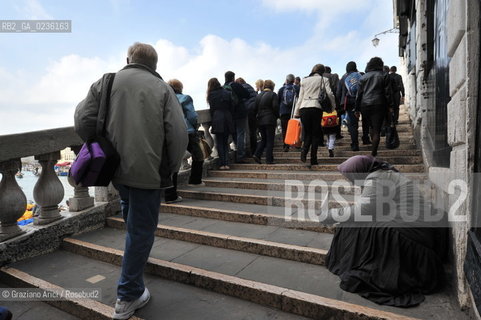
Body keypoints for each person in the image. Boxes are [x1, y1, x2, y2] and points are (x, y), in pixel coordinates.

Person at [74, 42, 188, 319]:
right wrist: (171, 168)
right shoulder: (162, 89)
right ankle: (128, 295)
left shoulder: (107, 81)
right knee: (141, 231)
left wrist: (106, 144)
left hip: (114, 168)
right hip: (148, 172)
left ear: (128, 59)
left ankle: (133, 264)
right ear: (155, 66)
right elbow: (178, 134)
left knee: (130, 212)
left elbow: (82, 120)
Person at [326, 155, 447, 307]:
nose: (349, 180)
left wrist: (330, 216)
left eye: (349, 176)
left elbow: (362, 211)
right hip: (412, 229)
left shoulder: (377, 178)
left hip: (410, 236)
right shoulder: (382, 174)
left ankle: (360, 262)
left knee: (351, 224)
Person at [164, 79, 205, 202]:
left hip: (170, 133)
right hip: (188, 132)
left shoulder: (166, 99)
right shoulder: (185, 98)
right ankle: (195, 180)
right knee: (199, 155)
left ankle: (170, 195)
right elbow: (192, 116)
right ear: (180, 87)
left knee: (173, 164)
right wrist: (195, 125)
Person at [293, 64, 336, 166]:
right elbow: (329, 93)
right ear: (322, 71)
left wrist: (296, 112)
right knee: (315, 134)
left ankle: (304, 152)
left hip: (304, 108)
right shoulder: (323, 79)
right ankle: (313, 159)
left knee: (307, 132)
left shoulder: (304, 80)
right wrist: (333, 107)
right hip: (316, 107)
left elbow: (300, 97)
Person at [356, 57, 393, 157]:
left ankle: (373, 146)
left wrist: (356, 109)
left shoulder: (363, 77)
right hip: (379, 104)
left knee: (371, 127)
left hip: (365, 105)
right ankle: (373, 152)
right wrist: (390, 105)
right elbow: (388, 93)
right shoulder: (384, 75)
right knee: (377, 129)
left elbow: (359, 94)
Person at [207, 78, 234, 170]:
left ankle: (223, 164)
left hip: (218, 117)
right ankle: (227, 163)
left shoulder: (211, 94)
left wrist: (212, 121)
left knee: (219, 142)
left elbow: (212, 109)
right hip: (227, 117)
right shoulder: (227, 92)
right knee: (225, 141)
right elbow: (231, 106)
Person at [224, 71, 250, 163]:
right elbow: (247, 94)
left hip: (230, 114)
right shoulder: (236, 85)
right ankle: (240, 156)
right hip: (240, 112)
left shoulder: (222, 88)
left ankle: (235, 153)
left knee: (234, 134)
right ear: (233, 78)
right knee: (240, 133)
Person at [337, 61, 364, 151]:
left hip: (348, 102)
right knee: (366, 121)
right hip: (362, 101)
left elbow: (338, 92)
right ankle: (366, 138)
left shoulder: (343, 78)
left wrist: (339, 103)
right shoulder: (360, 76)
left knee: (352, 124)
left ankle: (355, 144)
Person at [252, 80, 279, 164]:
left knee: (263, 139)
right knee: (270, 140)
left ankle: (257, 154)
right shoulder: (273, 95)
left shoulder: (258, 96)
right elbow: (275, 107)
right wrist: (276, 116)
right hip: (270, 119)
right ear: (272, 87)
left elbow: (254, 109)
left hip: (260, 120)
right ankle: (269, 159)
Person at [235, 77, 258, 157]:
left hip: (247, 111)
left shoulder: (242, 88)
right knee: (253, 131)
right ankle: (255, 150)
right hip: (254, 110)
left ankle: (249, 151)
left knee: (247, 132)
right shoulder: (250, 87)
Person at [278, 74, 300, 152]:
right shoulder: (297, 88)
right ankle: (296, 144)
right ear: (294, 80)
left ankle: (285, 145)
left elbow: (278, 101)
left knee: (284, 129)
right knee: (295, 128)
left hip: (283, 112)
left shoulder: (281, 89)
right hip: (294, 111)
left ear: (286, 80)